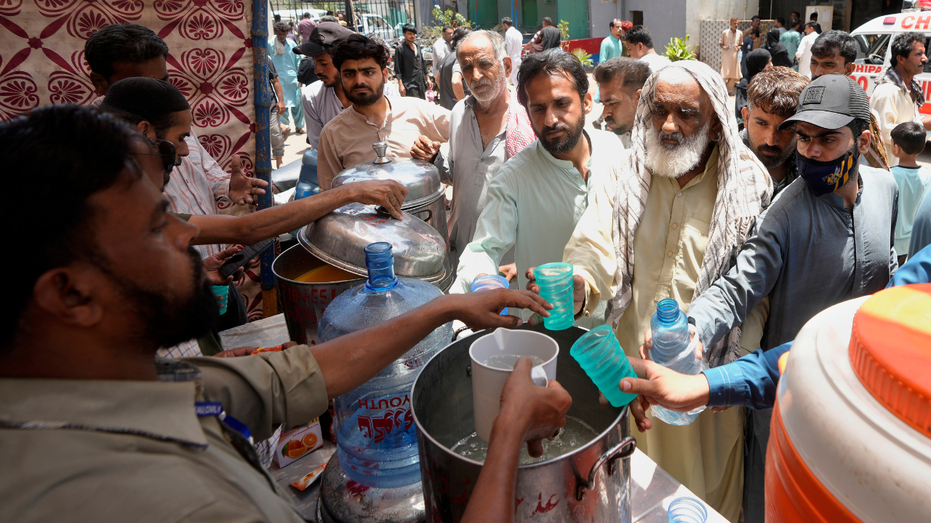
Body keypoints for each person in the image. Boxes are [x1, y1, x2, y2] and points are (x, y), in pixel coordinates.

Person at [0, 103, 561, 523]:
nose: (186, 236)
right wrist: (506, 429)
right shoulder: (160, 499)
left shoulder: (137, 385)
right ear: (70, 295)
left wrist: (448, 307)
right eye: (156, 227)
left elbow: (306, 374)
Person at [559, 61, 773, 522]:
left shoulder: (748, 185)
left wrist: (725, 376)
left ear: (716, 120)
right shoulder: (625, 172)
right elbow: (594, 241)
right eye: (659, 110)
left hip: (704, 385)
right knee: (626, 491)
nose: (670, 126)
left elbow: (755, 292)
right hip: (629, 376)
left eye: (688, 113)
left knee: (701, 502)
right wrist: (580, 279)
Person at [684, 74, 899, 523]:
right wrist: (693, 325)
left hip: (863, 400)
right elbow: (738, 284)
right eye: (802, 137)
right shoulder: (785, 211)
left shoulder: (886, 189)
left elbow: (890, 274)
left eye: (826, 139)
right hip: (788, 397)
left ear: (862, 140)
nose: (809, 151)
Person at [453, 49, 619, 330]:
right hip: (553, 330)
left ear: (588, 101)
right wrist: (482, 283)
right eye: (538, 109)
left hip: (619, 325)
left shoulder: (613, 148)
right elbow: (483, 248)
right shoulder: (513, 178)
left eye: (561, 103)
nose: (551, 119)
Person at [410, 30, 535, 271]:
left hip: (509, 259)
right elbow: (457, 175)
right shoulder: (459, 112)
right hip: (462, 250)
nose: (476, 75)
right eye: (467, 68)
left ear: (507, 66)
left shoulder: (528, 120)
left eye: (484, 64)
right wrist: (433, 158)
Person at [317, 34, 450, 190]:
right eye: (349, 74)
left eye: (368, 72)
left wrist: (439, 161)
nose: (359, 81)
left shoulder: (416, 110)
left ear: (385, 76)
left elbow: (469, 133)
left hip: (424, 212)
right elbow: (330, 193)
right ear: (341, 78)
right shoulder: (332, 134)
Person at [809, 30, 890, 170]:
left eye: (828, 65)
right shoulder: (798, 105)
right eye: (814, 63)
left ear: (849, 69)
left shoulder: (865, 118)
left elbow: (870, 170)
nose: (817, 72)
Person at [740, 66, 808, 195]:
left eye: (786, 128)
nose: (771, 141)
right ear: (746, 117)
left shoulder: (811, 165)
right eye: (761, 123)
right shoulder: (722, 163)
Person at [871, 32, 931, 167]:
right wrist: (922, 125)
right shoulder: (887, 91)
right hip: (887, 169)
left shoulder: (911, 87)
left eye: (924, 53)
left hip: (901, 168)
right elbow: (885, 133)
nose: (925, 58)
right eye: (918, 54)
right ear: (901, 59)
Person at [297, 22, 355, 150]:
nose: (317, 70)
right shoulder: (312, 96)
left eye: (323, 63)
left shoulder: (382, 89)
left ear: (345, 61)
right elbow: (319, 149)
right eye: (315, 62)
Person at [889, 121, 931, 264]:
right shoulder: (927, 176)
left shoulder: (889, 174)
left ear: (896, 148)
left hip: (891, 238)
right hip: (911, 239)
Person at [593, 56, 651, 146]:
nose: (604, 114)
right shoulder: (614, 140)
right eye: (603, 104)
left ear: (639, 98)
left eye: (612, 103)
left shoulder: (663, 142)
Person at [270, 21, 305, 135]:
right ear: (275, 32)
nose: (281, 37)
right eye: (279, 34)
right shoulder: (269, 44)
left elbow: (299, 60)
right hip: (277, 81)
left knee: (298, 104)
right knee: (281, 104)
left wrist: (300, 77)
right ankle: (285, 128)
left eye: (284, 34)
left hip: (292, 79)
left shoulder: (292, 44)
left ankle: (299, 126)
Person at [437, 26, 472, 110]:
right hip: (458, 110)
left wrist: (447, 94)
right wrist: (462, 101)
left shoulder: (448, 56)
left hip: (446, 107)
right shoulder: (460, 57)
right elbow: (456, 81)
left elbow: (437, 80)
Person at [735, 49, 771, 131]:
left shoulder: (767, 82)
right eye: (768, 62)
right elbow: (741, 113)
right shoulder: (745, 85)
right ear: (759, 65)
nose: (771, 65)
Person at [395, 23, 431, 99]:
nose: (412, 36)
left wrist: (427, 78)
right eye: (409, 34)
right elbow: (398, 69)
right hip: (409, 83)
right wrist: (400, 85)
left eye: (414, 34)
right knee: (414, 106)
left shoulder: (417, 46)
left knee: (422, 105)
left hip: (420, 81)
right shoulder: (400, 48)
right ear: (404, 34)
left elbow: (422, 63)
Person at [720, 18, 742, 94]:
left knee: (733, 74)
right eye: (734, 23)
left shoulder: (740, 33)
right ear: (730, 24)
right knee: (724, 73)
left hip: (735, 55)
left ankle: (729, 91)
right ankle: (722, 91)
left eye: (737, 24)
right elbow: (721, 43)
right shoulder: (725, 32)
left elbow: (741, 43)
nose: (736, 25)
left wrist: (739, 47)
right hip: (726, 55)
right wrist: (724, 47)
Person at [502, 17, 523, 85]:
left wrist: (505, 57)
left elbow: (509, 47)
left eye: (503, 25)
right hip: (518, 58)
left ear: (505, 24)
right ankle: (520, 94)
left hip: (511, 59)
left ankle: (501, 94)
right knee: (516, 79)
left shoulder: (508, 33)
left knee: (505, 78)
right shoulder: (518, 33)